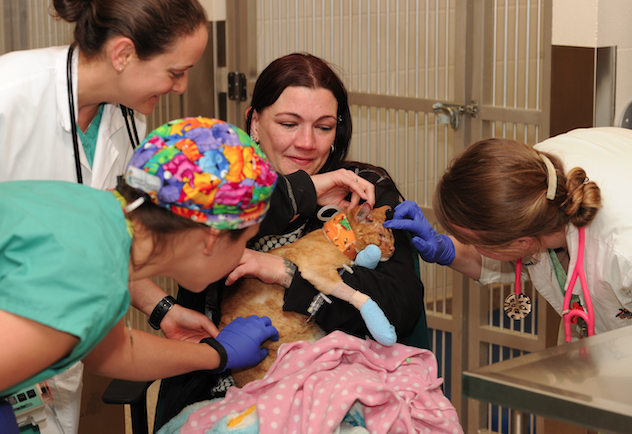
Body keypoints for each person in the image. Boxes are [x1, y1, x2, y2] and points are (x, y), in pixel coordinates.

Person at [154, 52, 428, 430]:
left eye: (324, 127)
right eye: (288, 123)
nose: (307, 143)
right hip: (227, 392)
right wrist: (302, 191)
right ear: (254, 121)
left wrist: (286, 273)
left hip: (340, 389)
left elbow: (400, 304)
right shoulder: (222, 186)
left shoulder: (362, 189)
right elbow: (185, 245)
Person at [0, 1, 215, 432]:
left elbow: (106, 242)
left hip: (55, 363)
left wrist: (161, 308)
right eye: (175, 71)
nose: (181, 86)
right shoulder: (10, 94)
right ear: (123, 54)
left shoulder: (126, 114)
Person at [0, 117, 280, 433]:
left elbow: (114, 352)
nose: (244, 253)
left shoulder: (91, 210)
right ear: (210, 239)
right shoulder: (88, 280)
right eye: (243, 240)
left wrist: (215, 354)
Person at [384, 127, 632, 342]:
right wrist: (446, 250)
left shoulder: (622, 252)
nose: (466, 245)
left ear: (522, 243)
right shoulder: (533, 183)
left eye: (471, 242)